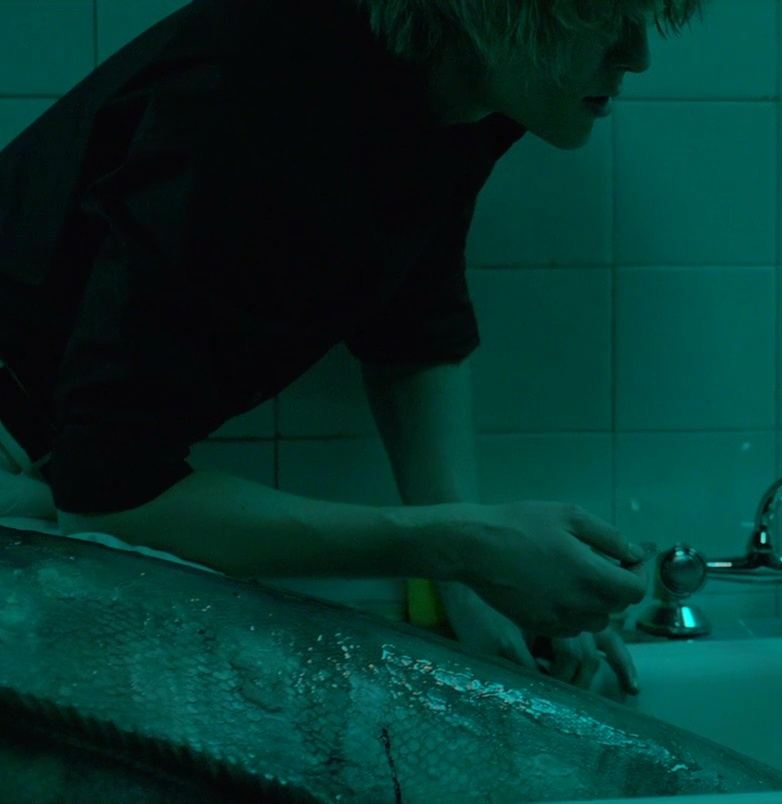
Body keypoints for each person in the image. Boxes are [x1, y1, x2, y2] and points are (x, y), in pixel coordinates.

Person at [0, 0, 706, 700]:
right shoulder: (258, 88)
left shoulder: (472, 89)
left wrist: (473, 580)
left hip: (60, 464)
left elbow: (413, 307)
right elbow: (111, 498)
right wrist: (465, 545)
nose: (638, 55)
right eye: (607, 20)